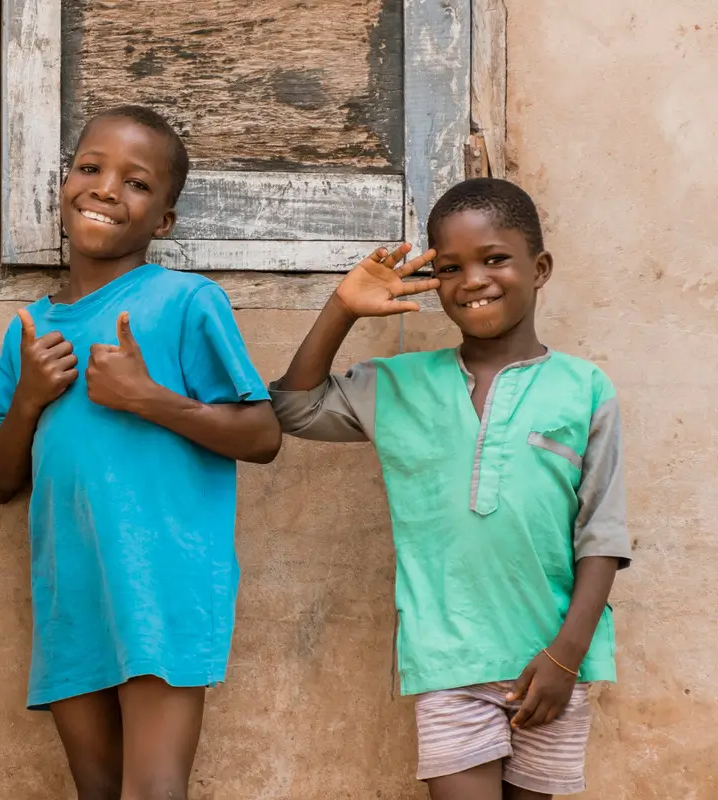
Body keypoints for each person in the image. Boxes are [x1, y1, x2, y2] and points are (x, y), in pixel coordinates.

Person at [270, 178, 631, 800]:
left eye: (495, 259)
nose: (473, 280)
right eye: (449, 267)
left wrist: (566, 656)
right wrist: (343, 308)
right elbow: (294, 407)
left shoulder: (585, 389)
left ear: (539, 268)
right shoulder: (399, 384)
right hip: (449, 660)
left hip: (553, 662)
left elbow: (601, 533)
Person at [0, 106, 281, 799]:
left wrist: (147, 396)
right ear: (63, 185)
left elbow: (262, 434)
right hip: (73, 594)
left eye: (137, 183)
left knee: (153, 790)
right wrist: (27, 399)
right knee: (99, 792)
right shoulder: (30, 330)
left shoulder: (184, 301)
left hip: (161, 583)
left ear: (164, 221)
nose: (107, 189)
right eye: (90, 168)